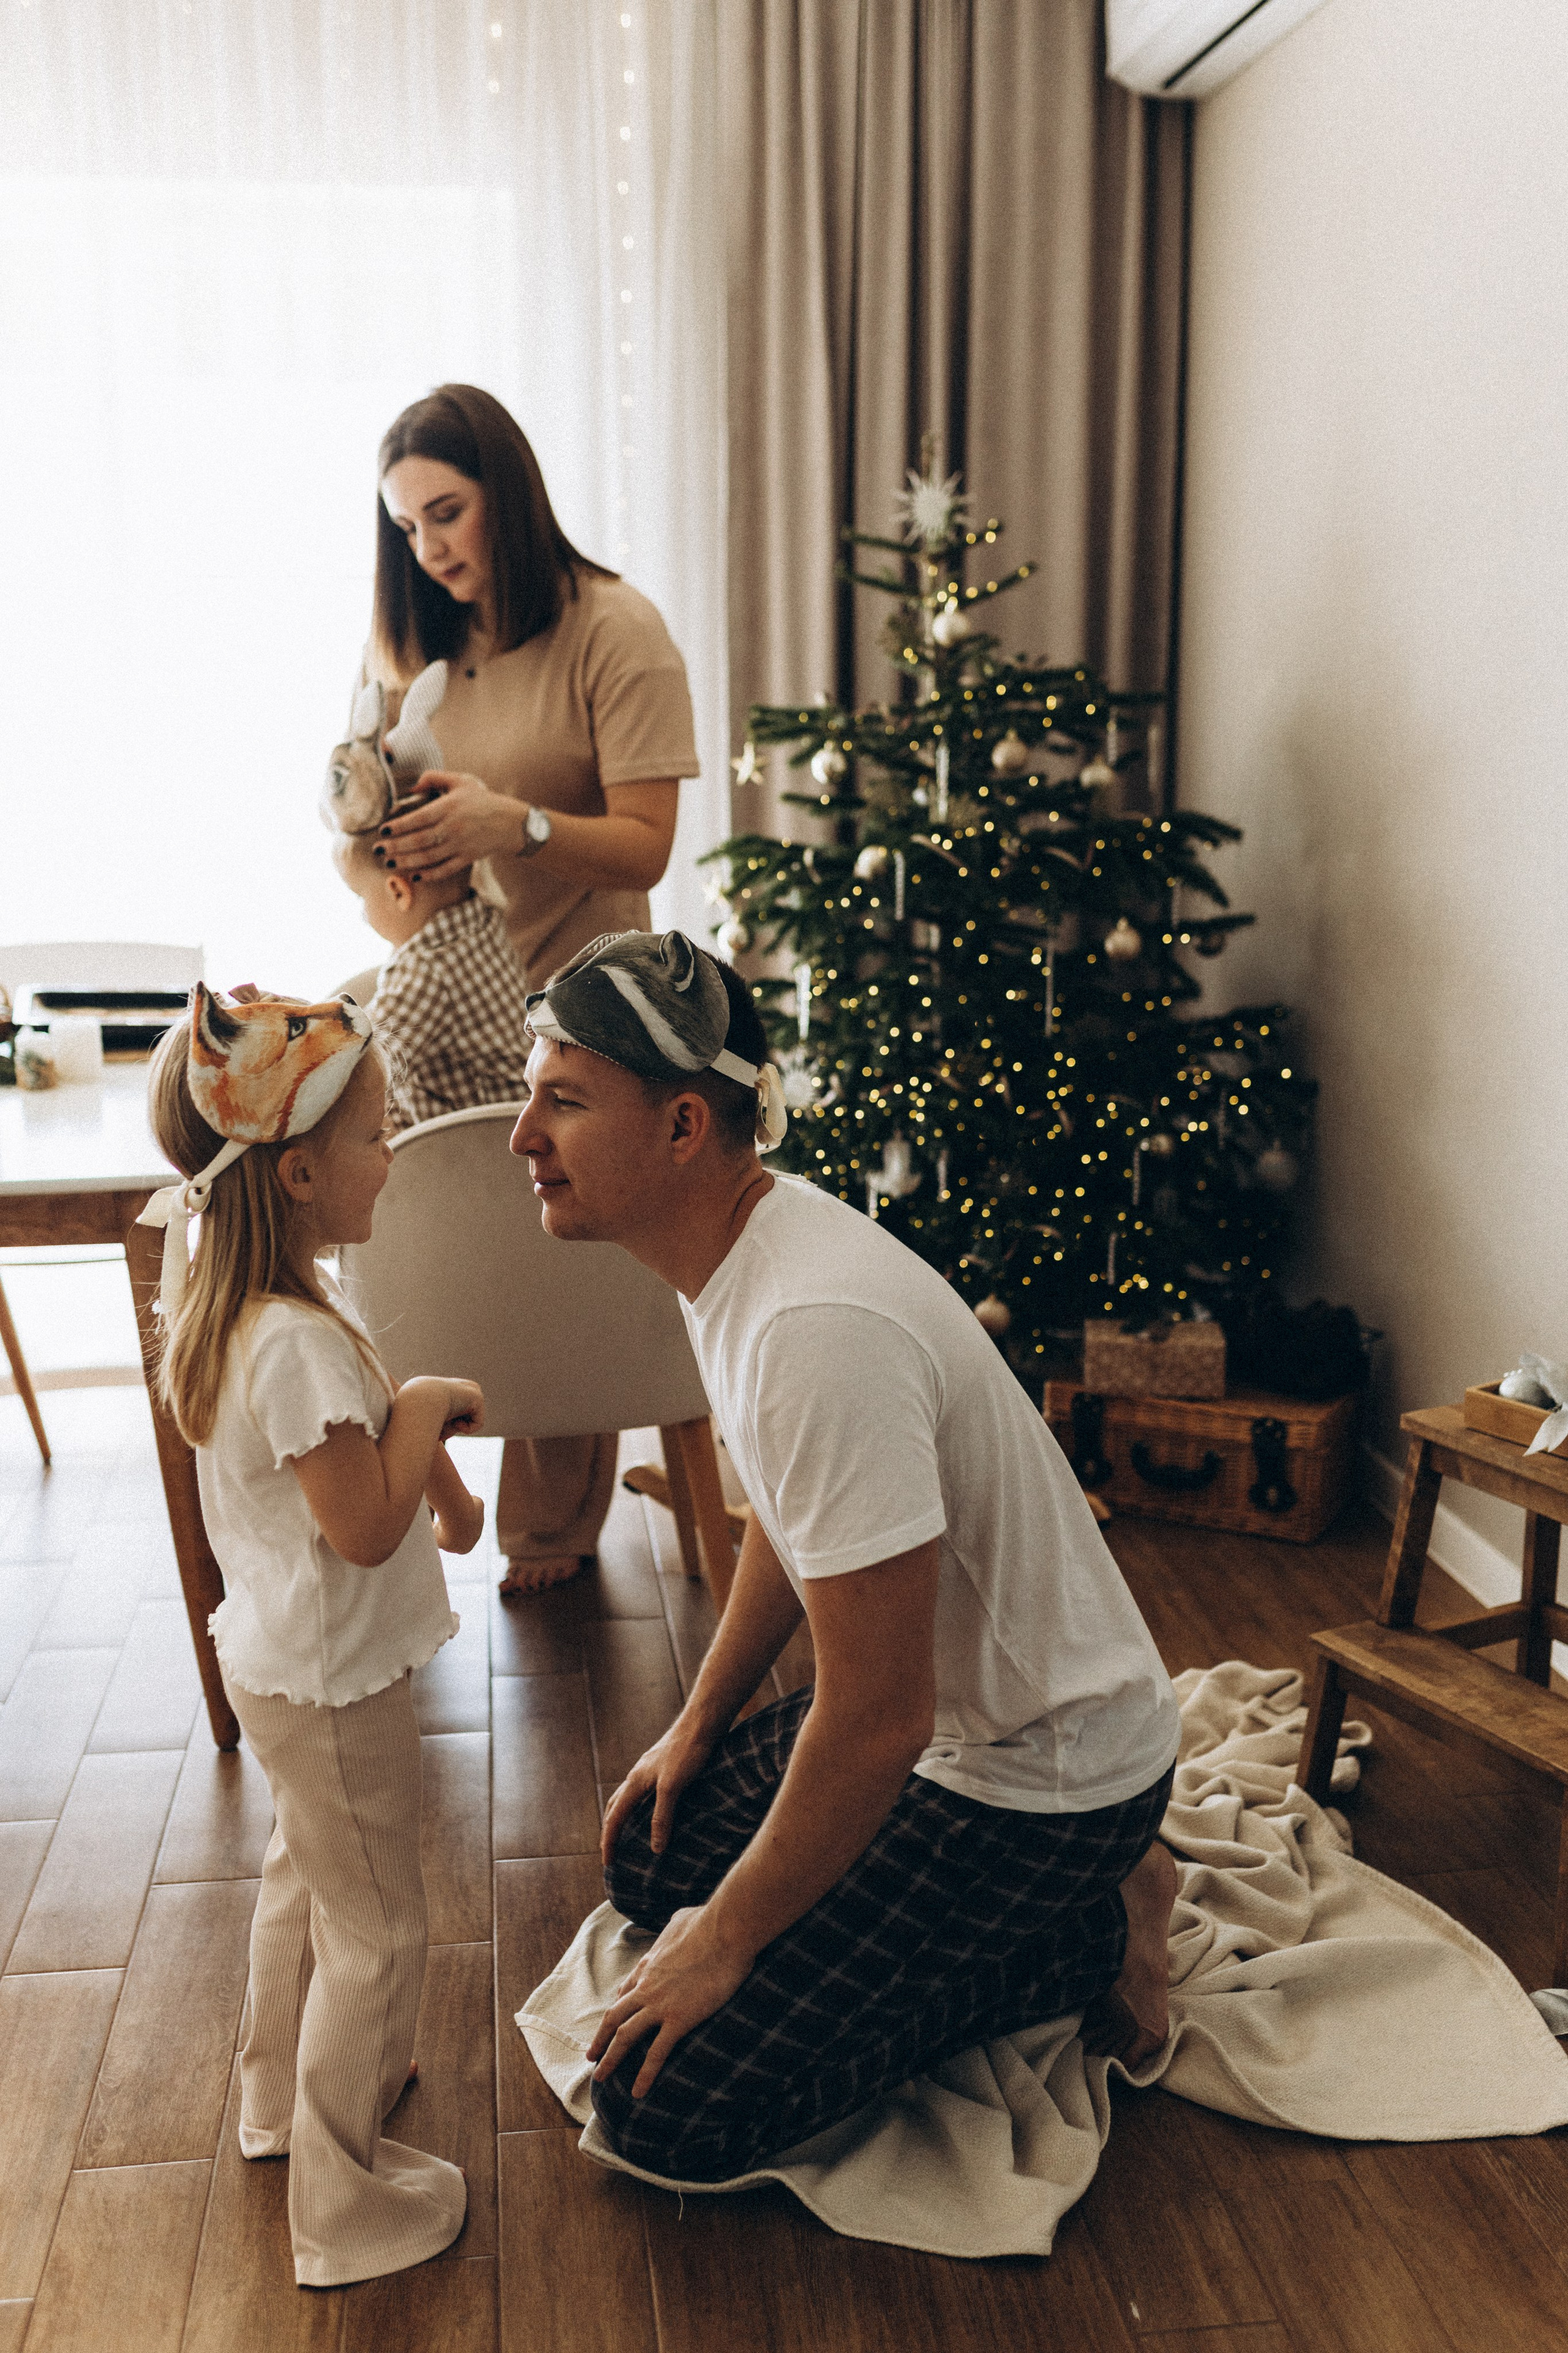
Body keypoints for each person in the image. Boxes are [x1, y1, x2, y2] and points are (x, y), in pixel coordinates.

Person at [509, 930, 1183, 2185]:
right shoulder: (735, 1252)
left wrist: (725, 1943)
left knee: (665, 2108)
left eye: (564, 1101)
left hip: (1042, 1781)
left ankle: (1092, 1921)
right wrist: (699, 1722)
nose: (521, 1136)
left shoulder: (811, 1325)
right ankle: (1037, 1904)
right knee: (649, 1854)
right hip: (943, 1733)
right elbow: (793, 1515)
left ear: (683, 1126)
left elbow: (878, 1719)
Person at [143, 983, 486, 2287]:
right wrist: (432, 1406)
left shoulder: (253, 1314)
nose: (391, 1156)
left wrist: (422, 1440)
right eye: (376, 1137)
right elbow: (362, 1526)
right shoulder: (291, 1341)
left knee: (306, 1881)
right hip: (335, 1686)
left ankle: (280, 2099)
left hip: (288, 1671)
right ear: (297, 1173)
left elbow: (359, 1459)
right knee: (379, 1927)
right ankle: (344, 2210)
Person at [364, 382, 699, 1595]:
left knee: (565, 1250)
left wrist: (519, 825)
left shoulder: (616, 630)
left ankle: (551, 1524)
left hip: (592, 1001)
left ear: (506, 491)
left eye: (446, 513)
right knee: (424, 1212)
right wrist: (389, 859)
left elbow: (648, 848)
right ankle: (397, 1481)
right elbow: (375, 863)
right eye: (407, 526)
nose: (429, 548)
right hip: (461, 992)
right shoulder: (415, 653)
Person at [331, 822, 532, 1138]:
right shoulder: (481, 917)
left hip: (471, 1144)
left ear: (398, 891)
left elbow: (358, 1068)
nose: (363, 915)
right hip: (515, 1110)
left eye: (361, 898)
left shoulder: (424, 971)